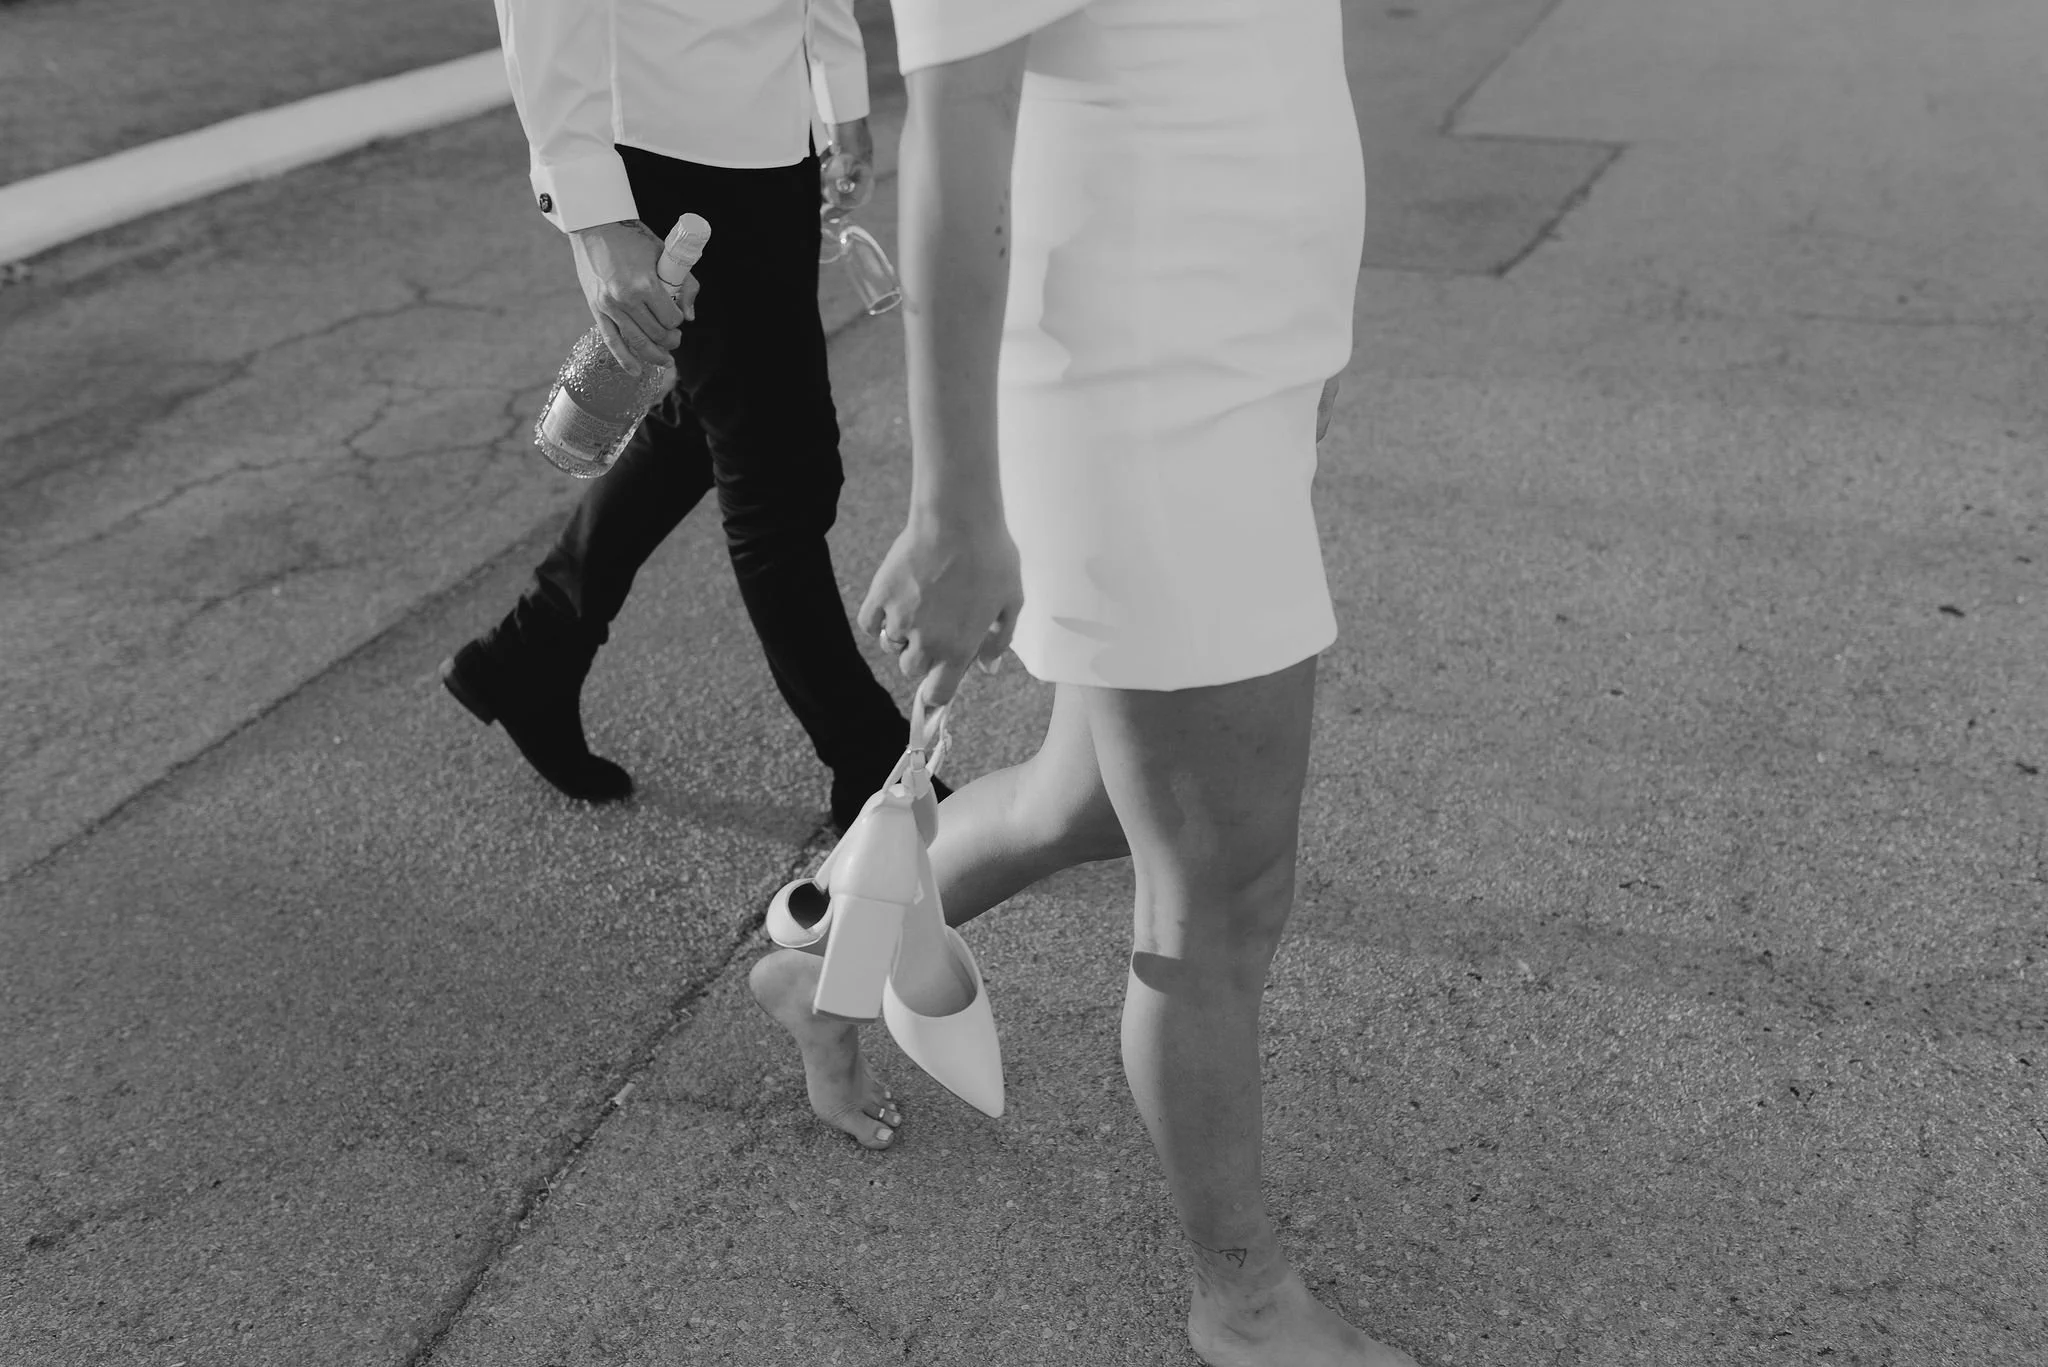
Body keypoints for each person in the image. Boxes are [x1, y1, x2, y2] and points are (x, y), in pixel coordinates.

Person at [747, 2, 1421, 1363]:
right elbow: (958, 138)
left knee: (1089, 796)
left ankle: (828, 961)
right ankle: (1241, 1298)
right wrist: (950, 510)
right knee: (1222, 881)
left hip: (1242, 367)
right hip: (1151, 397)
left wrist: (1307, 345)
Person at [444, 0, 945, 831]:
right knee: (781, 473)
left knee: (720, 414)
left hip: (770, 127)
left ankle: (533, 651)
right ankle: (871, 769)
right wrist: (593, 214)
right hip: (662, 139)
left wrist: (836, 87)